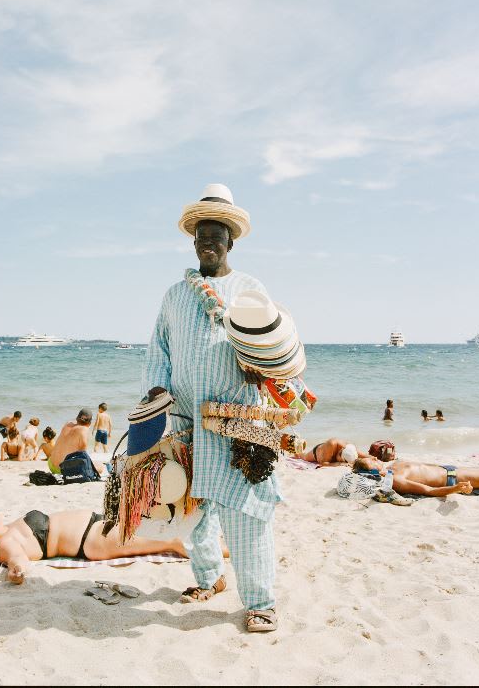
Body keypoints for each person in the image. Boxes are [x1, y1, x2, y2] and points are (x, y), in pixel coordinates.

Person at [142, 183, 281, 633]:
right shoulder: (174, 295)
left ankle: (260, 602)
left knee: (247, 512)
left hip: (237, 416)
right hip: (184, 416)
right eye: (200, 234)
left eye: (215, 234)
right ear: (193, 239)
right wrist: (155, 392)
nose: (207, 242)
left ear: (231, 239)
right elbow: (158, 350)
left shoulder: (250, 287)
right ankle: (209, 578)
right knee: (192, 509)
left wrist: (263, 369)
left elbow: (268, 344)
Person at [0, 508, 227, 585]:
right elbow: (17, 562)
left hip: (95, 525)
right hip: (93, 540)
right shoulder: (5, 543)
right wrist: (17, 572)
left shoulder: (11, 526)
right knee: (173, 542)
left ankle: (223, 546)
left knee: (165, 530)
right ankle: (232, 551)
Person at [353, 455, 479, 497]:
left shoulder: (391, 467)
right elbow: (428, 491)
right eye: (371, 461)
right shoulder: (395, 479)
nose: (373, 458)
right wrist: (456, 488)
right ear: (372, 472)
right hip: (454, 477)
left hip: (451, 469)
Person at [48, 408, 93, 474]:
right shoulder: (84, 430)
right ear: (89, 423)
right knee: (100, 467)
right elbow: (83, 455)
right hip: (62, 469)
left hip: (51, 464)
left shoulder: (67, 424)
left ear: (77, 418)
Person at [293, 439, 366, 467]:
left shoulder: (350, 449)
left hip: (327, 451)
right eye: (341, 460)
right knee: (304, 457)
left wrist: (373, 458)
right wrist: (339, 464)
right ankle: (296, 451)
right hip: (317, 453)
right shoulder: (332, 444)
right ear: (340, 452)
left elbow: (364, 456)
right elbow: (323, 463)